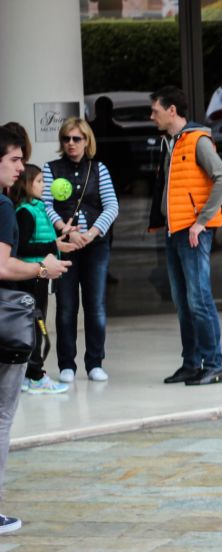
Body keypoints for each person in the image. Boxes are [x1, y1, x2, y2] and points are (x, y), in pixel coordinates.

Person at [0, 124, 71, 532]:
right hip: (5, 318)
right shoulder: (5, 208)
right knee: (3, 413)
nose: (19, 168)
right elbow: (4, 264)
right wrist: (43, 267)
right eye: (13, 159)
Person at [148, 86, 222, 386]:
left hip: (192, 233)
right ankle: (191, 364)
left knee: (199, 300)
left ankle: (214, 365)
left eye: (155, 111)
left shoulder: (198, 141)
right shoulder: (168, 143)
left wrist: (201, 222)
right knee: (183, 302)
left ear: (172, 110)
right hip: (174, 231)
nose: (151, 116)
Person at [42, 117, 118, 384]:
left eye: (77, 138)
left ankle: (95, 362)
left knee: (95, 305)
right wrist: (67, 229)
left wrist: (91, 233)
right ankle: (66, 364)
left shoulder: (99, 169)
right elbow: (46, 204)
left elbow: (111, 206)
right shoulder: (50, 169)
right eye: (66, 139)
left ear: (87, 141)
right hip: (65, 245)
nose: (71, 144)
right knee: (66, 306)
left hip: (95, 246)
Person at [14, 165, 73, 394]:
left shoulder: (38, 209)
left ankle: (32, 373)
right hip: (32, 276)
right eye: (39, 182)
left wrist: (58, 240)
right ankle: (35, 375)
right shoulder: (25, 212)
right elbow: (24, 246)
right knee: (35, 326)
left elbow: (42, 238)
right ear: (26, 184)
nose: (43, 186)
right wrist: (53, 245)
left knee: (37, 325)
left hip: (41, 276)